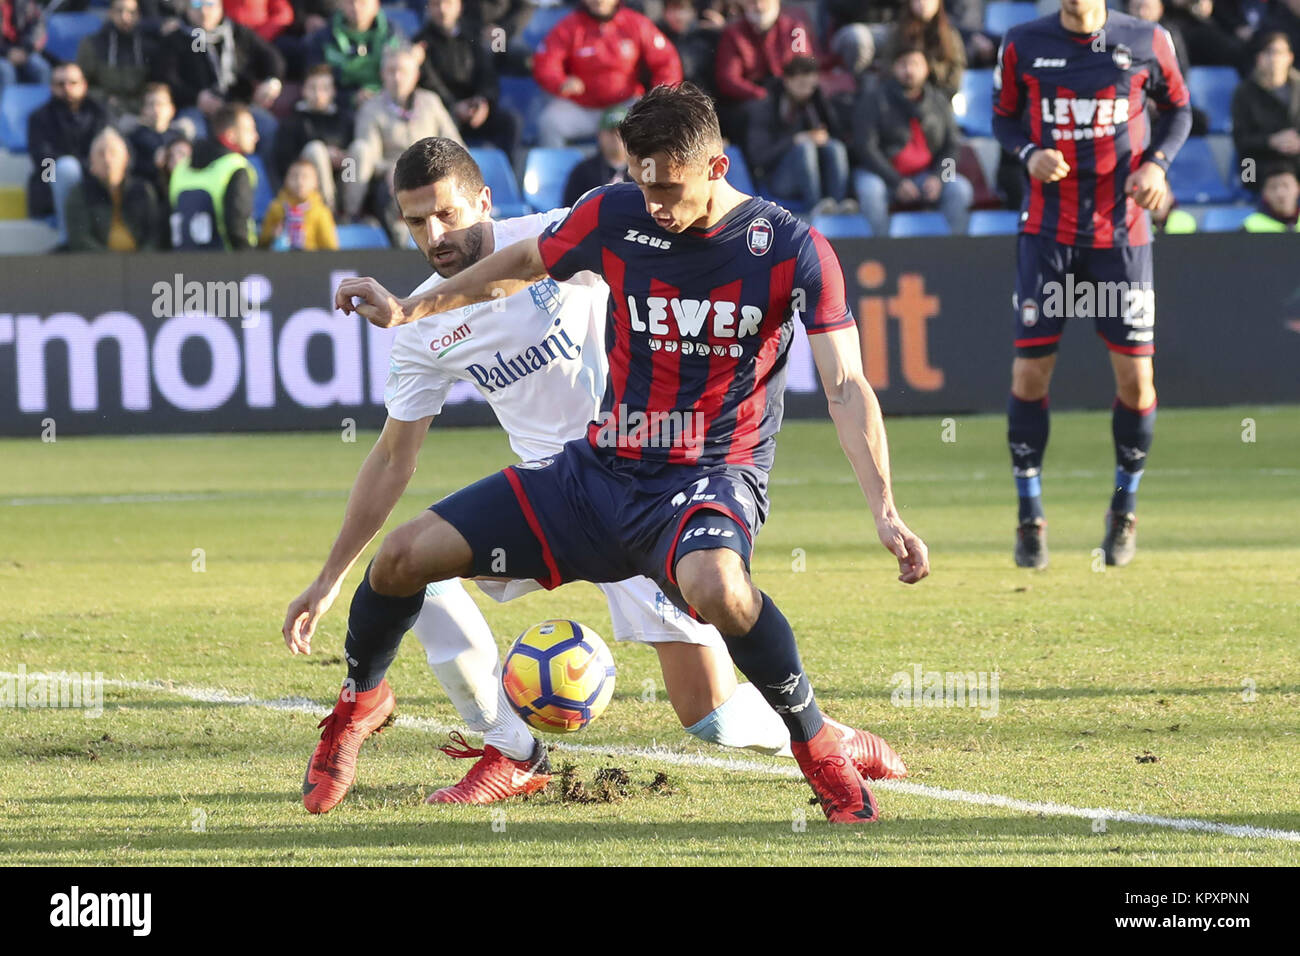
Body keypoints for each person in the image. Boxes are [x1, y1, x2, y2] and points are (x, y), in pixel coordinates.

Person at [316, 84, 931, 825]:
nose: (656, 204)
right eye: (643, 182)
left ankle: (823, 742)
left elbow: (846, 384)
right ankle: (454, 732)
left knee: (713, 681)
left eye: (669, 186)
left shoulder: (789, 246)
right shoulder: (616, 213)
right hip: (589, 476)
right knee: (406, 561)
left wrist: (886, 510)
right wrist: (411, 308)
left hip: (700, 478)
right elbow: (522, 266)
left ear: (717, 165)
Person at [992, 0, 1191, 568]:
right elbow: (1003, 117)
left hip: (1122, 234)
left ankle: (1123, 508)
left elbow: (1179, 111)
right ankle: (1030, 514)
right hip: (1048, 233)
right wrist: (1028, 153)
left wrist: (1156, 164)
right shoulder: (1022, 42)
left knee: (1136, 380)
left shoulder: (1149, 40)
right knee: (1030, 371)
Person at [343, 45, 462, 240]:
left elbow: (456, 146)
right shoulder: (371, 108)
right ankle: (391, 247)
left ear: (415, 75)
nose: (397, 78)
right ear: (382, 75)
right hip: (389, 179)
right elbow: (369, 156)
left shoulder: (431, 102)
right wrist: (396, 170)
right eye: (391, 71)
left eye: (403, 72)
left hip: (431, 173)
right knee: (363, 156)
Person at [851, 45, 972, 235]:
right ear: (893, 68)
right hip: (884, 177)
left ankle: (954, 252)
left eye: (915, 64)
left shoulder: (939, 101)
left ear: (926, 68)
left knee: (960, 188)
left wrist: (940, 176)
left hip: (927, 175)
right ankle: (880, 252)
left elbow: (952, 147)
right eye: (903, 64)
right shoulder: (875, 99)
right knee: (870, 191)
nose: (909, 70)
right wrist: (896, 181)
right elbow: (865, 148)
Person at [532, 0, 682, 147]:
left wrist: (661, 95)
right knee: (549, 123)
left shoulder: (636, 23)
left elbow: (667, 61)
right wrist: (560, 82)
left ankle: (645, 170)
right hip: (582, 107)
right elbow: (545, 62)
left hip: (626, 105)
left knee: (655, 119)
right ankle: (559, 170)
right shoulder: (569, 26)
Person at [414, 0, 521, 162]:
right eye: (436, 4)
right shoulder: (420, 43)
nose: (442, 10)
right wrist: (453, 106)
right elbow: (430, 83)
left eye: (448, 3)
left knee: (510, 122)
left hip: (475, 110)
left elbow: (487, 74)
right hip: (445, 113)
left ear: (460, 6)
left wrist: (483, 101)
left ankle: (506, 176)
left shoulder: (475, 36)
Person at [744, 55, 852, 214]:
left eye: (811, 86)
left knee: (835, 147)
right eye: (802, 84)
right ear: (787, 80)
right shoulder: (767, 107)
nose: (807, 91)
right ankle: (815, 207)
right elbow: (758, 156)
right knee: (804, 147)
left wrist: (823, 137)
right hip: (777, 178)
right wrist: (794, 140)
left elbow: (838, 133)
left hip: (816, 175)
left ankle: (838, 204)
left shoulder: (815, 103)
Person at [26, 63, 108, 239]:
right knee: (66, 168)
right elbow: (42, 161)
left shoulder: (101, 113)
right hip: (50, 182)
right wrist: (74, 169)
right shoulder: (39, 117)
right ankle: (70, 239)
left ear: (84, 85)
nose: (67, 88)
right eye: (60, 84)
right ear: (51, 87)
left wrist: (87, 169)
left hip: (96, 178)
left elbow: (108, 148)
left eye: (73, 82)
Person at [715, 0, 817, 140]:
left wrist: (789, 92)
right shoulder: (733, 34)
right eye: (753, 2)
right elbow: (728, 80)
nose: (759, 6)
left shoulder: (794, 30)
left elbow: (804, 70)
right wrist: (761, 95)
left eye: (764, 1)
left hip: (791, 97)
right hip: (755, 102)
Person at [167, 101, 259, 250]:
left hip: (183, 268)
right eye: (250, 130)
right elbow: (237, 226)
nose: (256, 136)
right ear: (231, 135)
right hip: (223, 267)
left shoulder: (181, 168)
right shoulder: (236, 167)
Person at [65, 126, 164, 252]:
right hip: (99, 268)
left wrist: (139, 263)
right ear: (91, 161)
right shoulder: (79, 193)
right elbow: (80, 240)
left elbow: (154, 236)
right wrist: (115, 265)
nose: (107, 159)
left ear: (126, 158)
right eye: (100, 154)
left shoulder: (143, 190)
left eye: (113, 152)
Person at [272, 64, 352, 211]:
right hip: (308, 184)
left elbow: (352, 150)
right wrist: (324, 155)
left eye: (324, 88)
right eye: (312, 88)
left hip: (344, 179)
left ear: (333, 91)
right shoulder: (292, 120)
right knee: (316, 150)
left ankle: (351, 210)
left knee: (354, 156)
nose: (318, 94)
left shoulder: (345, 118)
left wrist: (342, 156)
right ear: (303, 90)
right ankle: (329, 209)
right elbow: (284, 161)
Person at [1232, 32, 1300, 189]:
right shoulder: (1244, 92)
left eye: (1279, 53)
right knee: (1248, 170)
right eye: (1269, 52)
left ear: (1290, 57)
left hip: (1295, 157)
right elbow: (1240, 139)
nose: (1274, 58)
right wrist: (1271, 141)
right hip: (1260, 158)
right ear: (1259, 58)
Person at [309, 0, 407, 104]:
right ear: (340, 4)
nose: (356, 7)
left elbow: (404, 78)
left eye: (362, 2)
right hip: (338, 107)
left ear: (376, 4)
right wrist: (351, 97)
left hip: (387, 104)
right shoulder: (324, 38)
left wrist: (379, 96)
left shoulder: (393, 35)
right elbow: (315, 83)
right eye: (350, 2)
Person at [76, 0, 159, 119]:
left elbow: (154, 86)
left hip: (140, 112)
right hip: (101, 110)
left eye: (131, 12)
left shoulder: (148, 47)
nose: (125, 17)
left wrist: (135, 105)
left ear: (138, 15)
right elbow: (80, 84)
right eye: (119, 11)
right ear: (110, 13)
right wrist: (105, 99)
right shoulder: (92, 44)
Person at [883, 0, 967, 98]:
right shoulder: (899, 32)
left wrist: (929, 69)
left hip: (938, 97)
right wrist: (903, 70)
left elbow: (957, 66)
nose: (923, 3)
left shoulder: (949, 35)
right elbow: (887, 62)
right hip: (901, 97)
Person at [259, 157, 339, 248]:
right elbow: (262, 242)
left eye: (305, 177)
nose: (299, 182)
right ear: (286, 180)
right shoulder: (276, 208)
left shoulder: (321, 212)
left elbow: (330, 247)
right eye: (294, 176)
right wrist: (272, 235)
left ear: (315, 182)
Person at [561, 106, 629, 207]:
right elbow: (570, 211)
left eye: (622, 131)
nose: (617, 136)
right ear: (599, 135)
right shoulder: (583, 171)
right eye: (611, 132)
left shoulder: (644, 169)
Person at [0, 0, 51, 90]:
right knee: (6, 71)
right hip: (2, 53)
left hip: (25, 51)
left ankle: (44, 103)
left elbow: (38, 27)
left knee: (42, 69)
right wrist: (7, 52)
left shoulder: (25, 3)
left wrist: (25, 50)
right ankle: (8, 103)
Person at [1242, 164, 1300, 229]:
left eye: (1286, 185)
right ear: (1264, 193)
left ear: (1298, 188)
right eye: (1273, 187)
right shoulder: (1250, 226)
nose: (1280, 193)